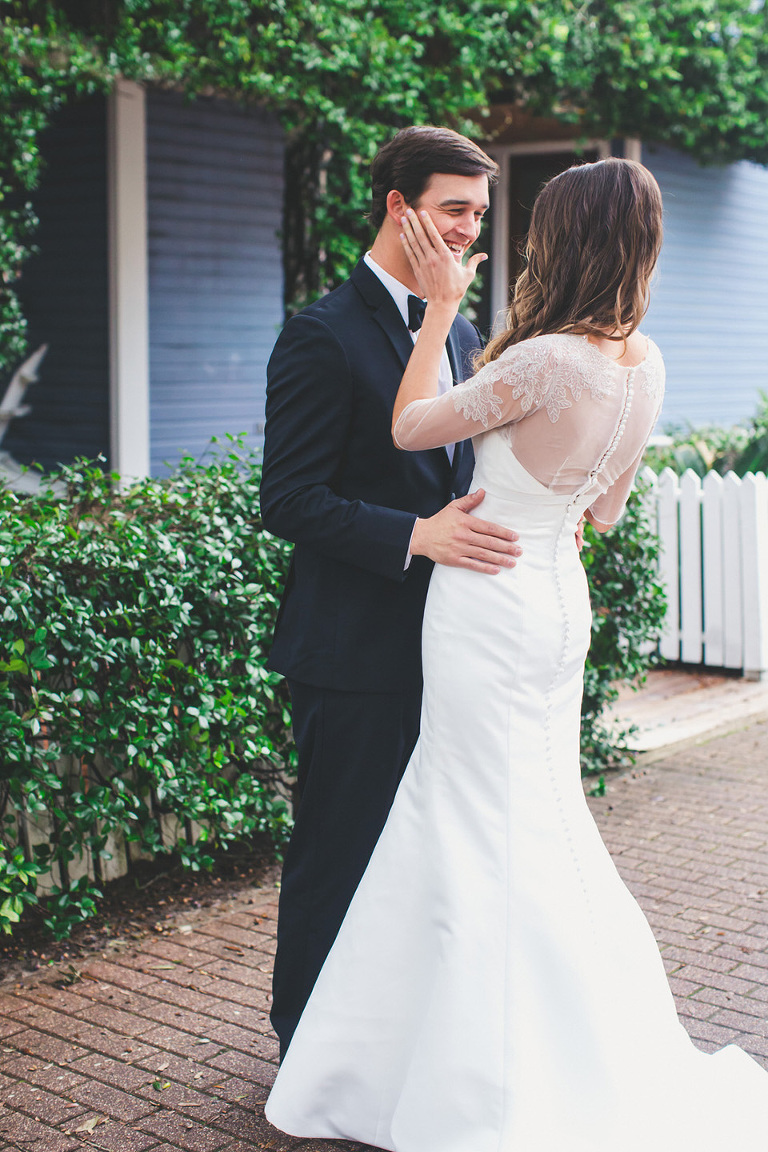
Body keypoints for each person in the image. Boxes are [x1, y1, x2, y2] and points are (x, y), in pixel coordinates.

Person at [265, 158, 768, 1150]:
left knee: (473, 826)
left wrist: (447, 322)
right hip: (534, 605)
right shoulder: (642, 361)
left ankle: (468, 1069)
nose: (485, 233)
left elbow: (417, 429)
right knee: (504, 821)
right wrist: (522, 514)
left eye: (505, 219)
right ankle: (378, 1044)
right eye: (459, 211)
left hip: (486, 616)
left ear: (565, 241)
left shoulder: (518, 349)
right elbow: (604, 509)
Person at [260, 126, 522, 1058]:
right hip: (352, 650)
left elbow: (458, 472)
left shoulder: (453, 330)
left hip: (445, 643)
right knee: (340, 853)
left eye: (480, 214)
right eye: (454, 209)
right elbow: (287, 499)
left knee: (419, 858)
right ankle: (306, 1050)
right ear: (397, 208)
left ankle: (387, 1043)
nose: (467, 230)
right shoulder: (320, 334)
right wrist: (415, 536)